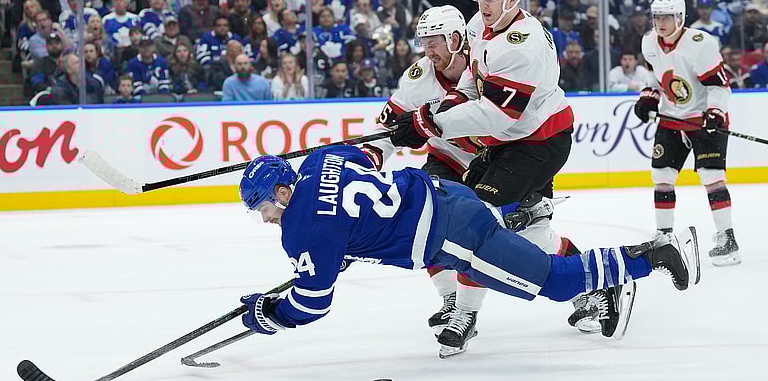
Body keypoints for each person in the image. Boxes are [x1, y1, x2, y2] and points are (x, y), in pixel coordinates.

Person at [235, 147, 700, 353]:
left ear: (281, 191)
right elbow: (369, 160)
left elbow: (314, 302)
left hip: (451, 234)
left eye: (262, 206)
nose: (264, 217)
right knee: (519, 255)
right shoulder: (321, 161)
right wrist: (352, 235)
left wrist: (270, 313)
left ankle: (652, 255)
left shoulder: (303, 230)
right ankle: (526, 217)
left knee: (554, 283)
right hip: (449, 193)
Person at [388, 0, 588, 351]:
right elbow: (471, 83)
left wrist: (430, 122)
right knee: (522, 231)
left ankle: (464, 313)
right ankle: (595, 289)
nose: (483, 1)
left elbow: (495, 115)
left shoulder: (523, 45)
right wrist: (443, 106)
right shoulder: (481, 25)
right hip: (511, 142)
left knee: (475, 222)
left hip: (537, 144)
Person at [635, 0, 740, 267]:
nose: (660, 22)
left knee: (712, 177)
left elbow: (719, 84)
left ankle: (727, 238)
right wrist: (649, 96)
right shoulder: (649, 42)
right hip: (672, 119)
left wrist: (716, 112)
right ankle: (664, 236)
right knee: (661, 176)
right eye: (657, 16)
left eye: (667, 16)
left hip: (704, 120)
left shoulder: (699, 43)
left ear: (680, 17)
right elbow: (654, 76)